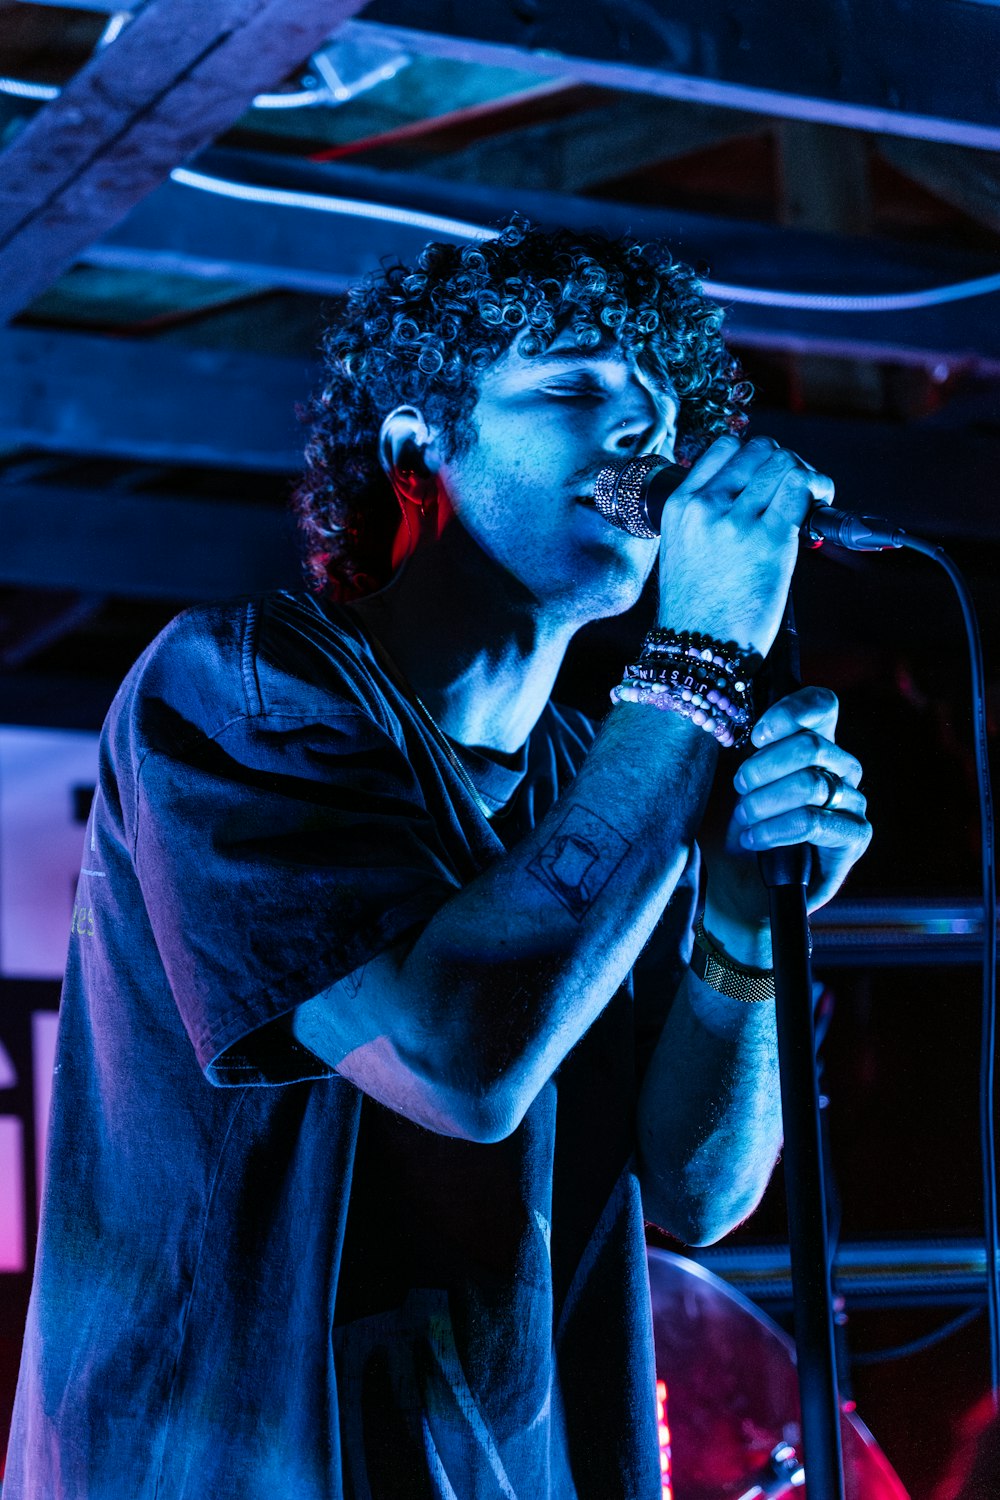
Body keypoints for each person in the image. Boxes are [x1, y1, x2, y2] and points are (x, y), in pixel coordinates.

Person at [5, 217, 871, 1499]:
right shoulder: (244, 687)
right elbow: (455, 1059)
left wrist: (738, 917)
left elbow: (699, 1190)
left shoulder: (612, 766)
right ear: (419, 445)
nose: (643, 437)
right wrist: (697, 661)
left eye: (661, 403)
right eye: (572, 388)